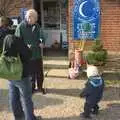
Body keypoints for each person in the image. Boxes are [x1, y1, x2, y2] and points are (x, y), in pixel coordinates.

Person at [2, 34, 39, 120]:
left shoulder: (6, 39)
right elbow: (28, 54)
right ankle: (30, 118)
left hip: (10, 73)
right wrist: (28, 48)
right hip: (21, 74)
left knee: (13, 96)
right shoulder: (17, 40)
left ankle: (18, 117)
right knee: (26, 99)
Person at [15, 9, 46, 94]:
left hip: (37, 54)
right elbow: (17, 41)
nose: (33, 20)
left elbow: (41, 36)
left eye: (34, 18)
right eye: (31, 18)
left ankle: (40, 87)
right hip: (27, 55)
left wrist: (42, 42)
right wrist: (25, 47)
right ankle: (31, 88)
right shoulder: (21, 27)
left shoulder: (37, 26)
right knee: (30, 74)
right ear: (27, 17)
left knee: (39, 72)